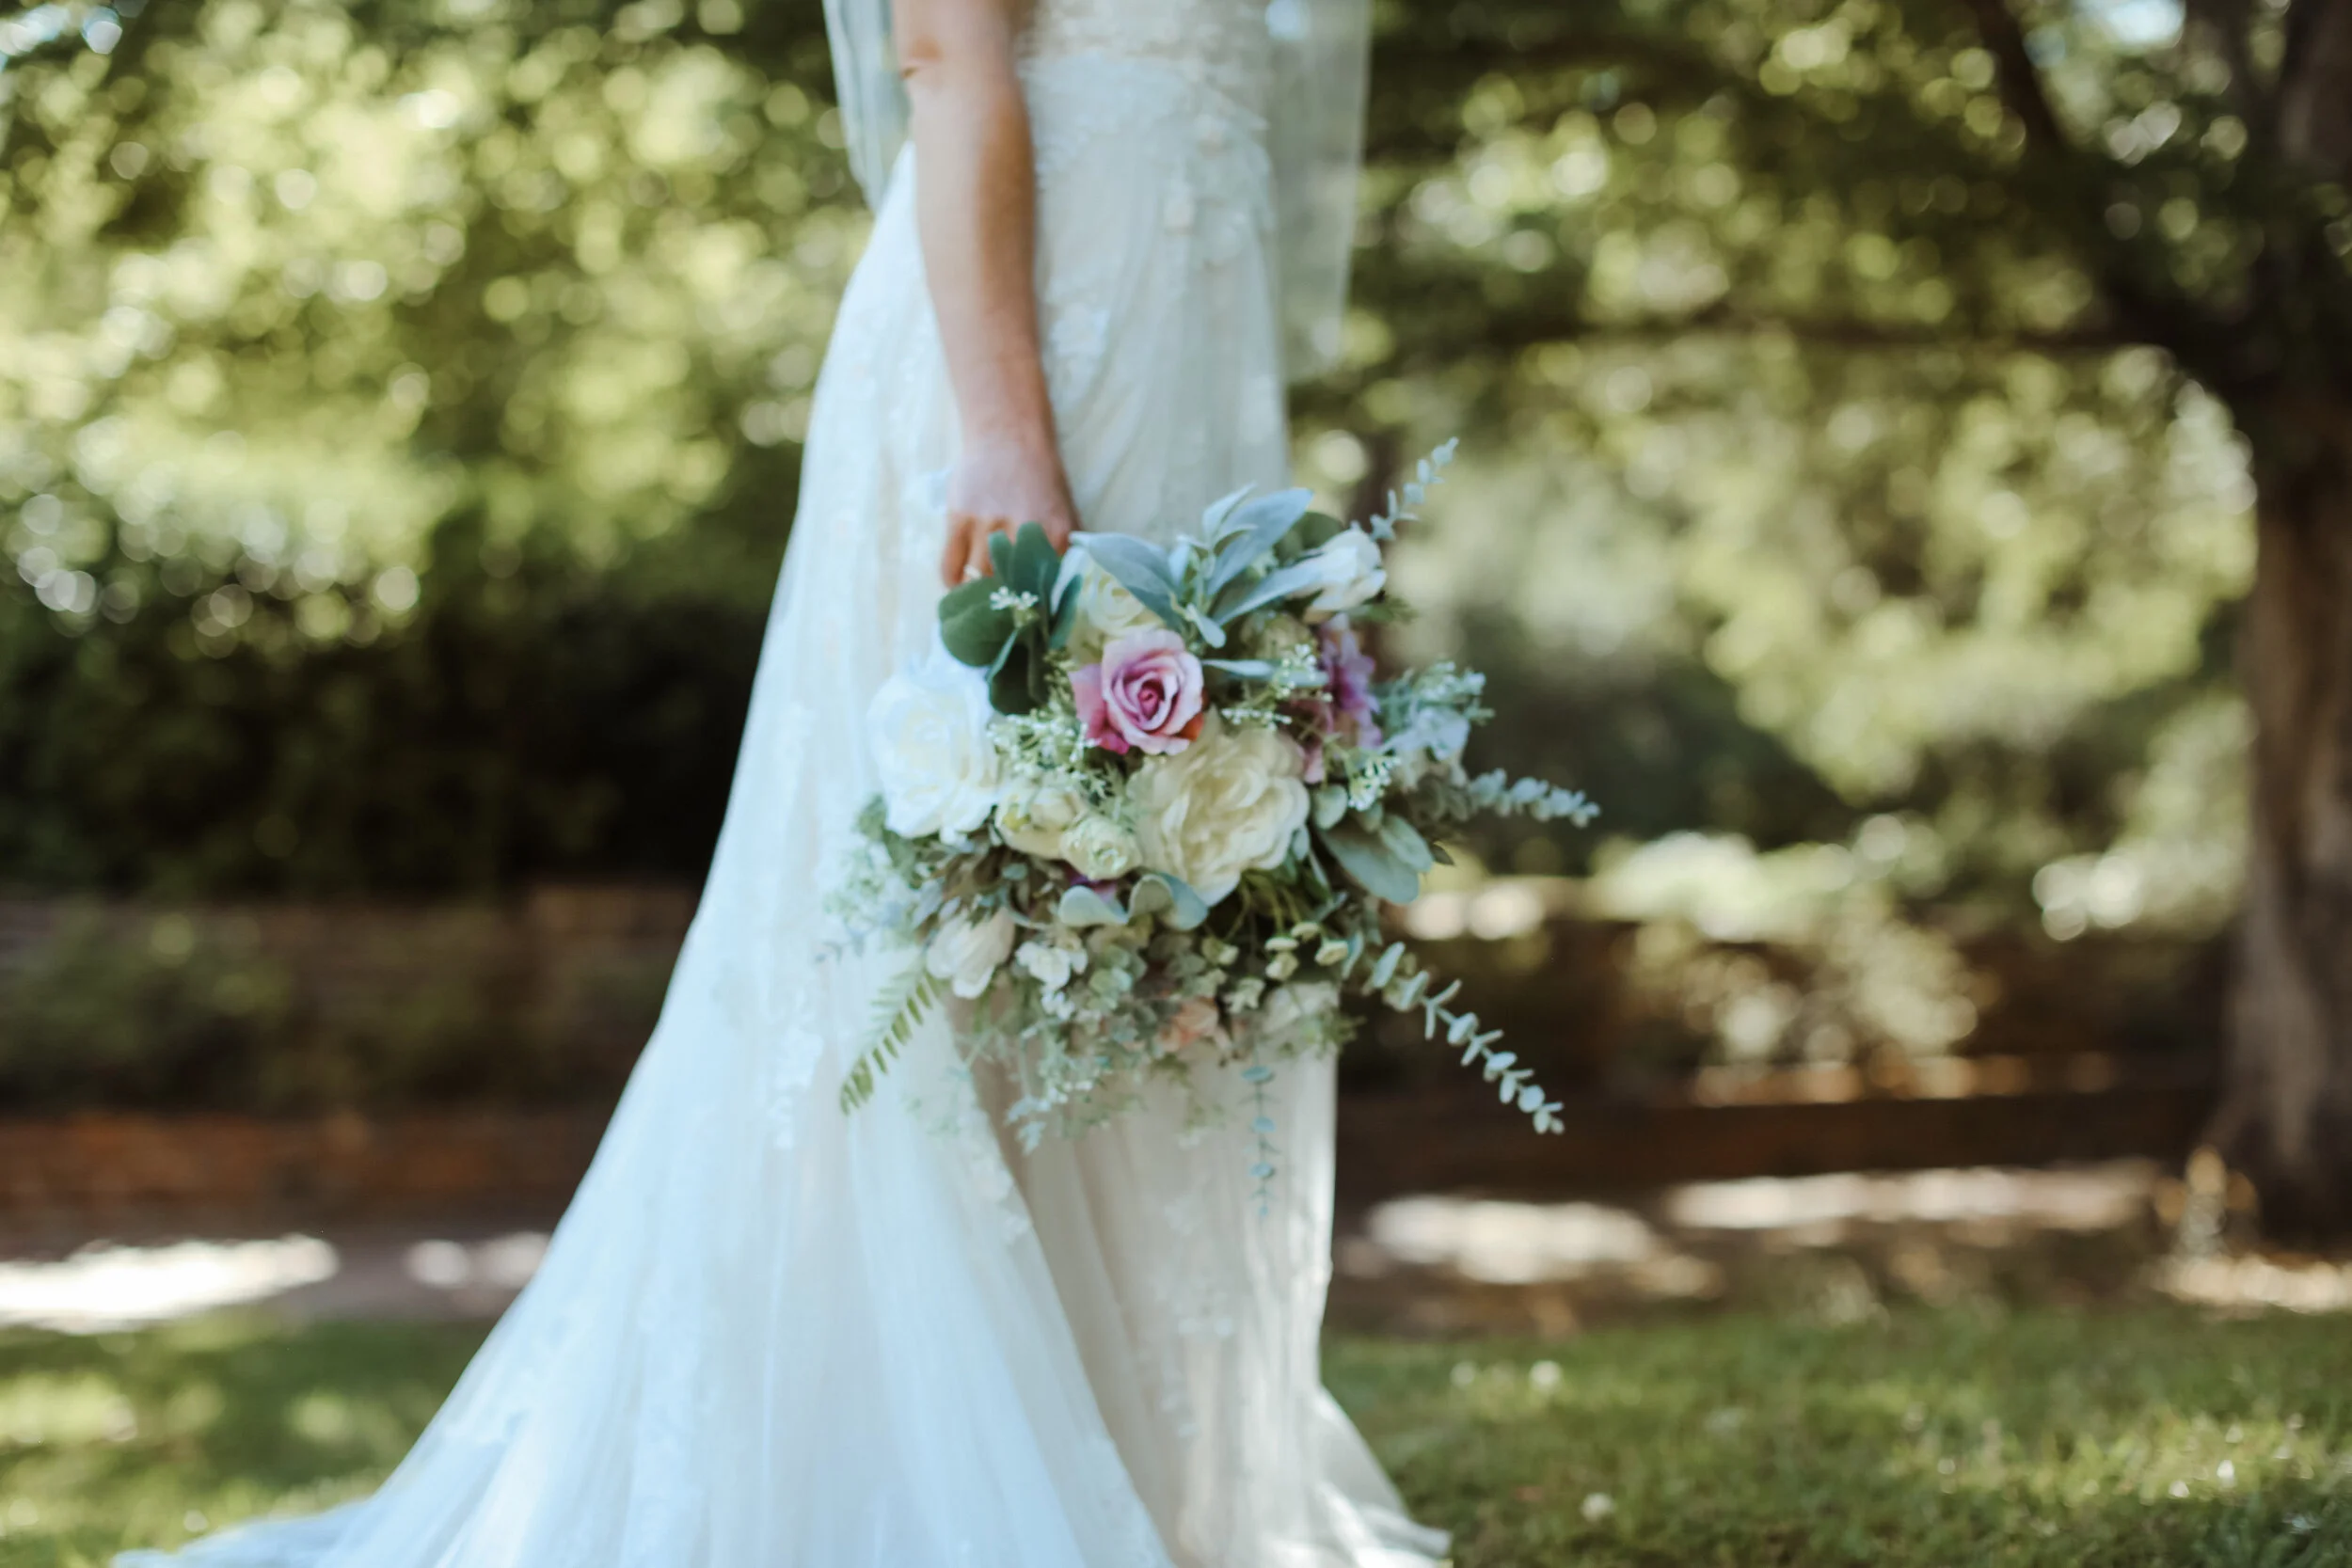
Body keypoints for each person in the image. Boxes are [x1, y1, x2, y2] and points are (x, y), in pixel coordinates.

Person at [124, 1, 1444, 1563]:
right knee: (956, 922)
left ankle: (1157, 1473)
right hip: (1032, 355)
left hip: (1184, 359)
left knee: (1152, 887)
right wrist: (1006, 435)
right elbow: (948, 51)